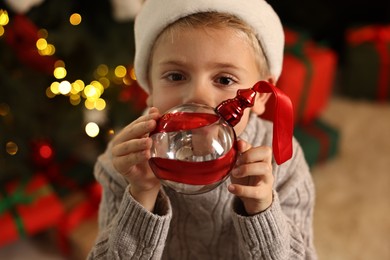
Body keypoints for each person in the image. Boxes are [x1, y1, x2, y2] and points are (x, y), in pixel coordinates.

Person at [88, 0, 316, 259]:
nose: (196, 95)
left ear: (261, 95)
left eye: (224, 80)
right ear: (149, 89)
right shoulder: (127, 162)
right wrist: (142, 194)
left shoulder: (281, 160)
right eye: (176, 76)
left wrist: (262, 210)